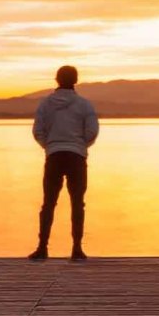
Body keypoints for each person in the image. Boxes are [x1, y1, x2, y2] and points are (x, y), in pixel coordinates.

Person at [29, 64, 99, 261]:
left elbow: (37, 131)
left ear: (56, 80)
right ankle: (77, 249)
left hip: (54, 156)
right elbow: (92, 131)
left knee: (49, 203)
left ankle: (42, 248)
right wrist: (80, 146)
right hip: (76, 157)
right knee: (77, 203)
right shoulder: (85, 105)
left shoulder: (45, 104)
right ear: (75, 81)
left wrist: (49, 146)